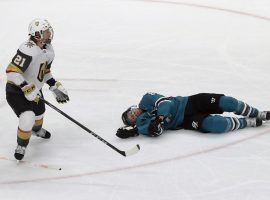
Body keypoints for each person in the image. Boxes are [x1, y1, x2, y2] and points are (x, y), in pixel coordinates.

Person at [5, 19, 69, 160]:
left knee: (39, 114)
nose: (49, 33)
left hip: (33, 89)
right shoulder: (28, 49)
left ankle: (36, 131)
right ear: (37, 34)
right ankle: (22, 144)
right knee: (28, 118)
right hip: (16, 90)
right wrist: (26, 87)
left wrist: (54, 86)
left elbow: (44, 72)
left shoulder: (48, 50)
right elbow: (11, 71)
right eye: (46, 31)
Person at [116, 92, 270, 138]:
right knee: (218, 125)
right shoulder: (142, 122)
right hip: (186, 120)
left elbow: (166, 104)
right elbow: (154, 131)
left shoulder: (146, 99)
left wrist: (160, 118)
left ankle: (259, 113)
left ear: (132, 107)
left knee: (228, 102)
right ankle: (247, 122)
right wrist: (142, 131)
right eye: (131, 119)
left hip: (190, 102)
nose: (133, 114)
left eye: (130, 112)